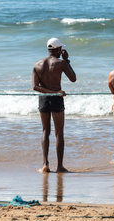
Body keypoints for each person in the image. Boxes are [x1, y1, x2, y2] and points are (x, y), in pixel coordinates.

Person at [32, 38, 76, 173]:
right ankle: (60, 166)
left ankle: (45, 164)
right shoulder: (61, 63)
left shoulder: (37, 65)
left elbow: (35, 87)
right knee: (59, 133)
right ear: (58, 50)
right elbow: (73, 78)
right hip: (56, 99)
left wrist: (50, 92)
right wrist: (67, 60)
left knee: (45, 131)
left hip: (44, 99)